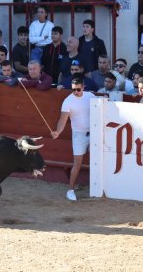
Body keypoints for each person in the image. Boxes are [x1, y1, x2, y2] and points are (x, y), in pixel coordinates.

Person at [51, 73, 96, 201]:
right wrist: (58, 132)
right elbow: (63, 119)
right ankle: (70, 189)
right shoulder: (68, 101)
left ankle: (97, 187)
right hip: (79, 134)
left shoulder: (90, 96)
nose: (75, 92)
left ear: (83, 87)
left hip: (93, 132)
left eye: (78, 89)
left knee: (98, 159)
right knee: (77, 163)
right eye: (73, 89)